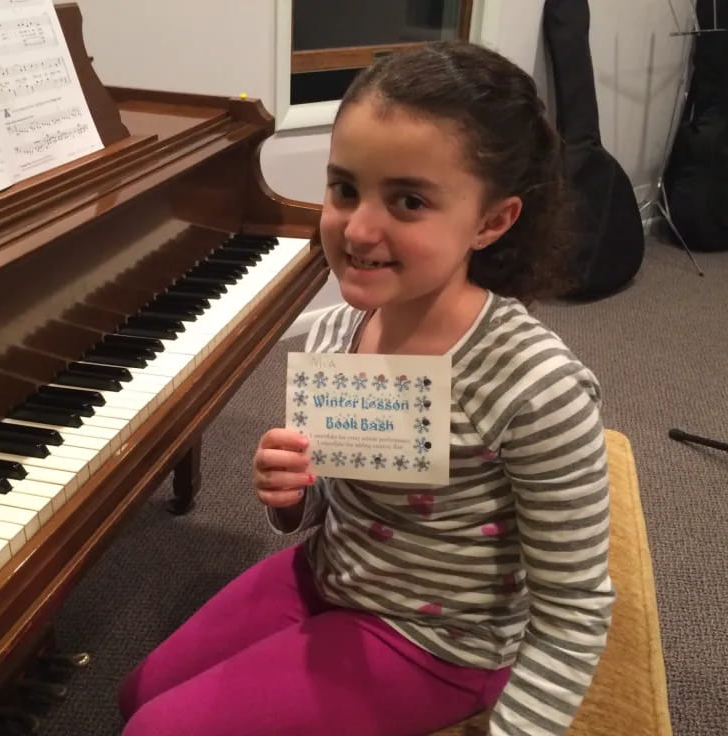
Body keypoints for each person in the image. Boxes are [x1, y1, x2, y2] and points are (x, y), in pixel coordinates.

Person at [119, 40, 614, 736]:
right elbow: (333, 502)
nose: (357, 227)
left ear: (492, 221)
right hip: (333, 572)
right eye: (345, 188)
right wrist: (295, 494)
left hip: (437, 642)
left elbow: (577, 610)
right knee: (137, 694)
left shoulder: (535, 386)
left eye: (409, 200)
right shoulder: (338, 333)